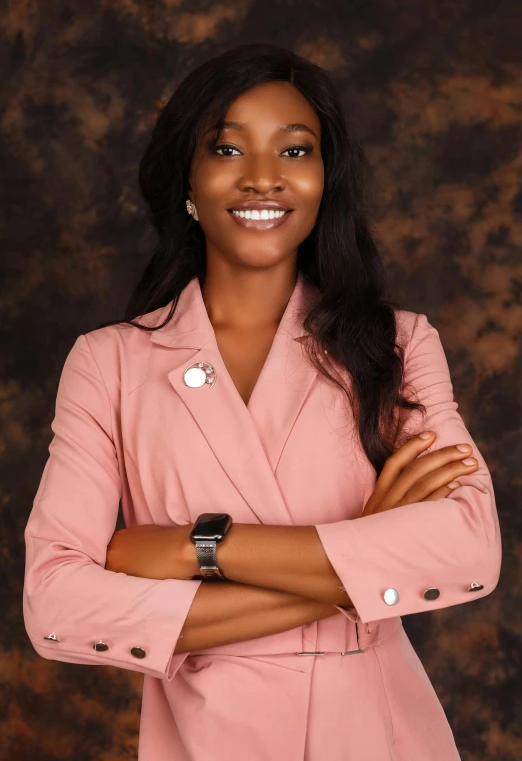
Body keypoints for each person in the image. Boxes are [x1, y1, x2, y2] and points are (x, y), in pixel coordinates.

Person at [23, 43, 501, 761]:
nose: (263, 178)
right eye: (226, 147)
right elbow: (56, 606)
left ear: (323, 179)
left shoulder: (398, 342)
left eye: (295, 150)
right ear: (188, 178)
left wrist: (199, 546)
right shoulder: (109, 362)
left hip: (379, 731)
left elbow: (468, 546)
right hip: (206, 736)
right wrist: (363, 555)